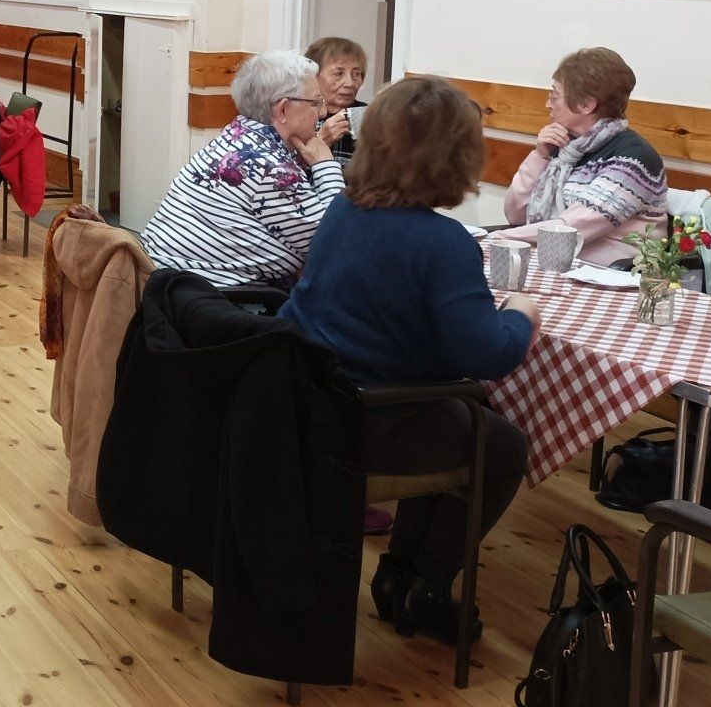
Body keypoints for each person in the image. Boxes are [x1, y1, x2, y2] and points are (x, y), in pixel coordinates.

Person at [280, 77, 537, 644]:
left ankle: (402, 579)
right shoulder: (442, 242)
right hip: (366, 420)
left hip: (307, 404)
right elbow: (489, 354)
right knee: (502, 445)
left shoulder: (344, 212)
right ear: (457, 156)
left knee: (462, 418)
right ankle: (422, 584)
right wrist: (521, 313)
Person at [140, 49, 344, 289]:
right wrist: (325, 164)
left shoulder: (237, 136)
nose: (321, 113)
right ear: (283, 110)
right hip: (216, 299)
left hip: (165, 281)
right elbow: (334, 238)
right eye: (315, 103)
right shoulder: (271, 167)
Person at [501, 47, 666, 266]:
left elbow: (571, 228)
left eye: (555, 96)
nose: (547, 104)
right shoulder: (566, 146)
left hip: (614, 276)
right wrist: (539, 155)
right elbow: (515, 215)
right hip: (558, 263)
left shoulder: (634, 158)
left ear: (586, 105)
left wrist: (501, 238)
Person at [305, 36, 368, 162]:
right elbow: (287, 175)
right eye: (339, 74)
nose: (350, 83)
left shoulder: (367, 116)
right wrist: (321, 142)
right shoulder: (299, 115)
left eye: (356, 74)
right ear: (313, 76)